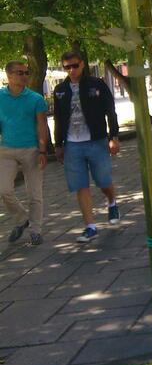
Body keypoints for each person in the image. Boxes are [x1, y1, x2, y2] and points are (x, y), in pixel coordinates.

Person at [53, 51, 121, 243]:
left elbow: (110, 111)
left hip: (96, 141)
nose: (72, 70)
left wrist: (113, 136)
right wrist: (58, 144)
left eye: (75, 65)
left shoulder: (97, 84)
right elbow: (58, 118)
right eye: (67, 67)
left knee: (103, 180)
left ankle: (112, 202)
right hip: (72, 145)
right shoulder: (60, 89)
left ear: (82, 64)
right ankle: (90, 226)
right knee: (80, 186)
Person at [0, 61, 48, 246]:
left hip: (31, 150)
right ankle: (21, 219)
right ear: (9, 75)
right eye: (20, 73)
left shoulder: (36, 99)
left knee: (34, 193)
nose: (25, 76)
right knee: (4, 190)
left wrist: (43, 150)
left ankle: (36, 230)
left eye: (27, 72)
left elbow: (41, 125)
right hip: (6, 150)